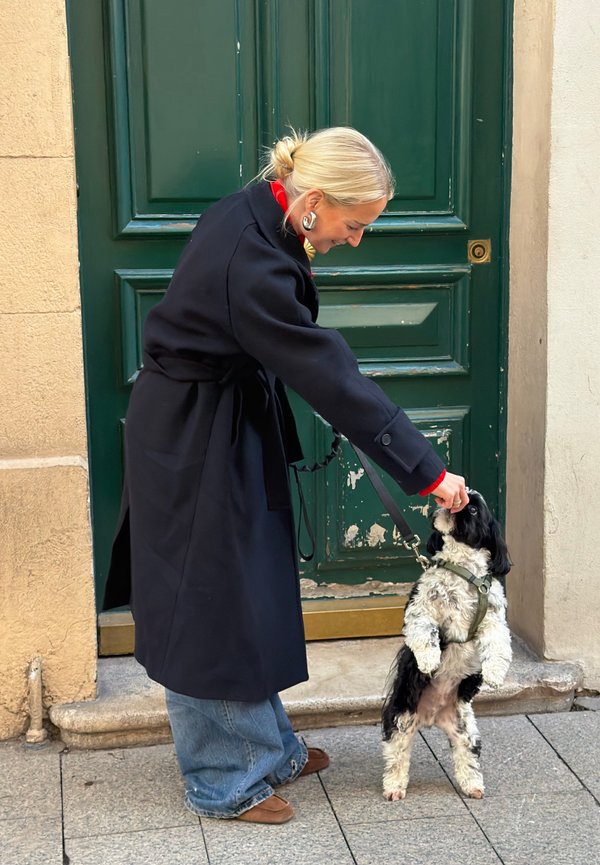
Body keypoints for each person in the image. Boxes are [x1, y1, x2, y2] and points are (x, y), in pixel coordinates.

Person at [104, 127, 468, 825]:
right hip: (193, 433)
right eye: (354, 224)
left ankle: (266, 748)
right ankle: (223, 780)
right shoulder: (255, 262)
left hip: (220, 417)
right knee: (210, 602)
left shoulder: (257, 208)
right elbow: (332, 377)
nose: (357, 239)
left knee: (250, 588)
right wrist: (428, 473)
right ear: (314, 203)